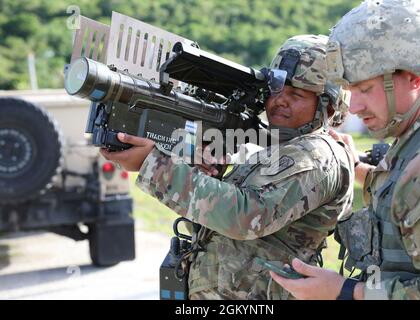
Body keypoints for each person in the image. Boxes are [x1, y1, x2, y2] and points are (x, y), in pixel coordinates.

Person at [101, 35, 353, 299]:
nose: (280, 100)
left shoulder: (317, 155)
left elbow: (247, 217)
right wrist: (205, 176)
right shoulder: (275, 150)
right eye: (276, 89)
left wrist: (152, 165)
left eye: (296, 94)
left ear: (328, 106)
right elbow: (220, 231)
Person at [271, 0, 420, 300]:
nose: (354, 106)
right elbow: (407, 201)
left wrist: (347, 292)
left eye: (365, 90)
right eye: (351, 91)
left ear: (415, 78)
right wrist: (361, 172)